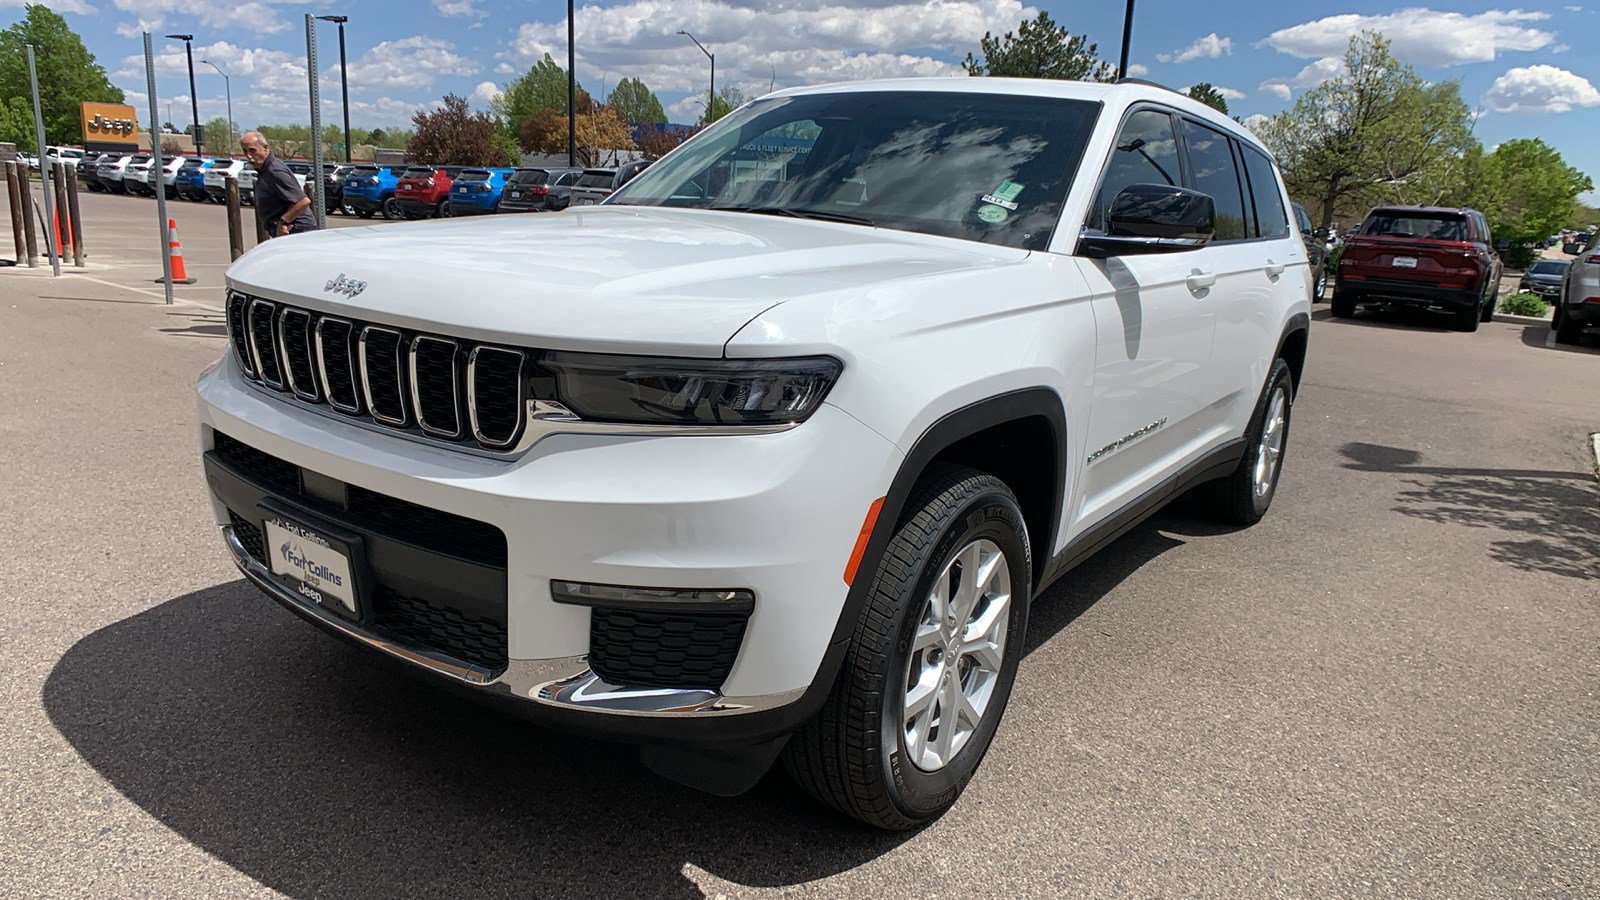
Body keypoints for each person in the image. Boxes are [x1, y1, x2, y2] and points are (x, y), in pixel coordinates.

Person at [240, 131, 317, 239]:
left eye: (253, 151)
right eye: (245, 151)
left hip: (296, 230)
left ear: (265, 148)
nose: (249, 156)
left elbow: (303, 201)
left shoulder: (274, 170)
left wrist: (283, 222)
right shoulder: (265, 170)